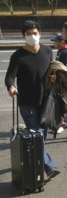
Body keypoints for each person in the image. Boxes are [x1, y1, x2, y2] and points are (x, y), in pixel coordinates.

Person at [5, 20, 60, 179]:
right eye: (28, 34)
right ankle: (50, 167)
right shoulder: (17, 56)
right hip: (27, 103)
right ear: (23, 36)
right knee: (37, 137)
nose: (32, 36)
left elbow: (52, 69)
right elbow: (10, 75)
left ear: (40, 34)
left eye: (34, 33)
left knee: (41, 137)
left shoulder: (47, 51)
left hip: (46, 102)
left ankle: (34, 160)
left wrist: (55, 76)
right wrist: (11, 86)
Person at [50, 33, 67, 132]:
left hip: (62, 80)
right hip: (60, 80)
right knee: (64, 101)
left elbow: (63, 68)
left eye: (56, 41)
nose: (54, 43)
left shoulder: (65, 52)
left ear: (62, 42)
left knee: (62, 102)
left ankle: (61, 123)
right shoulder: (61, 51)